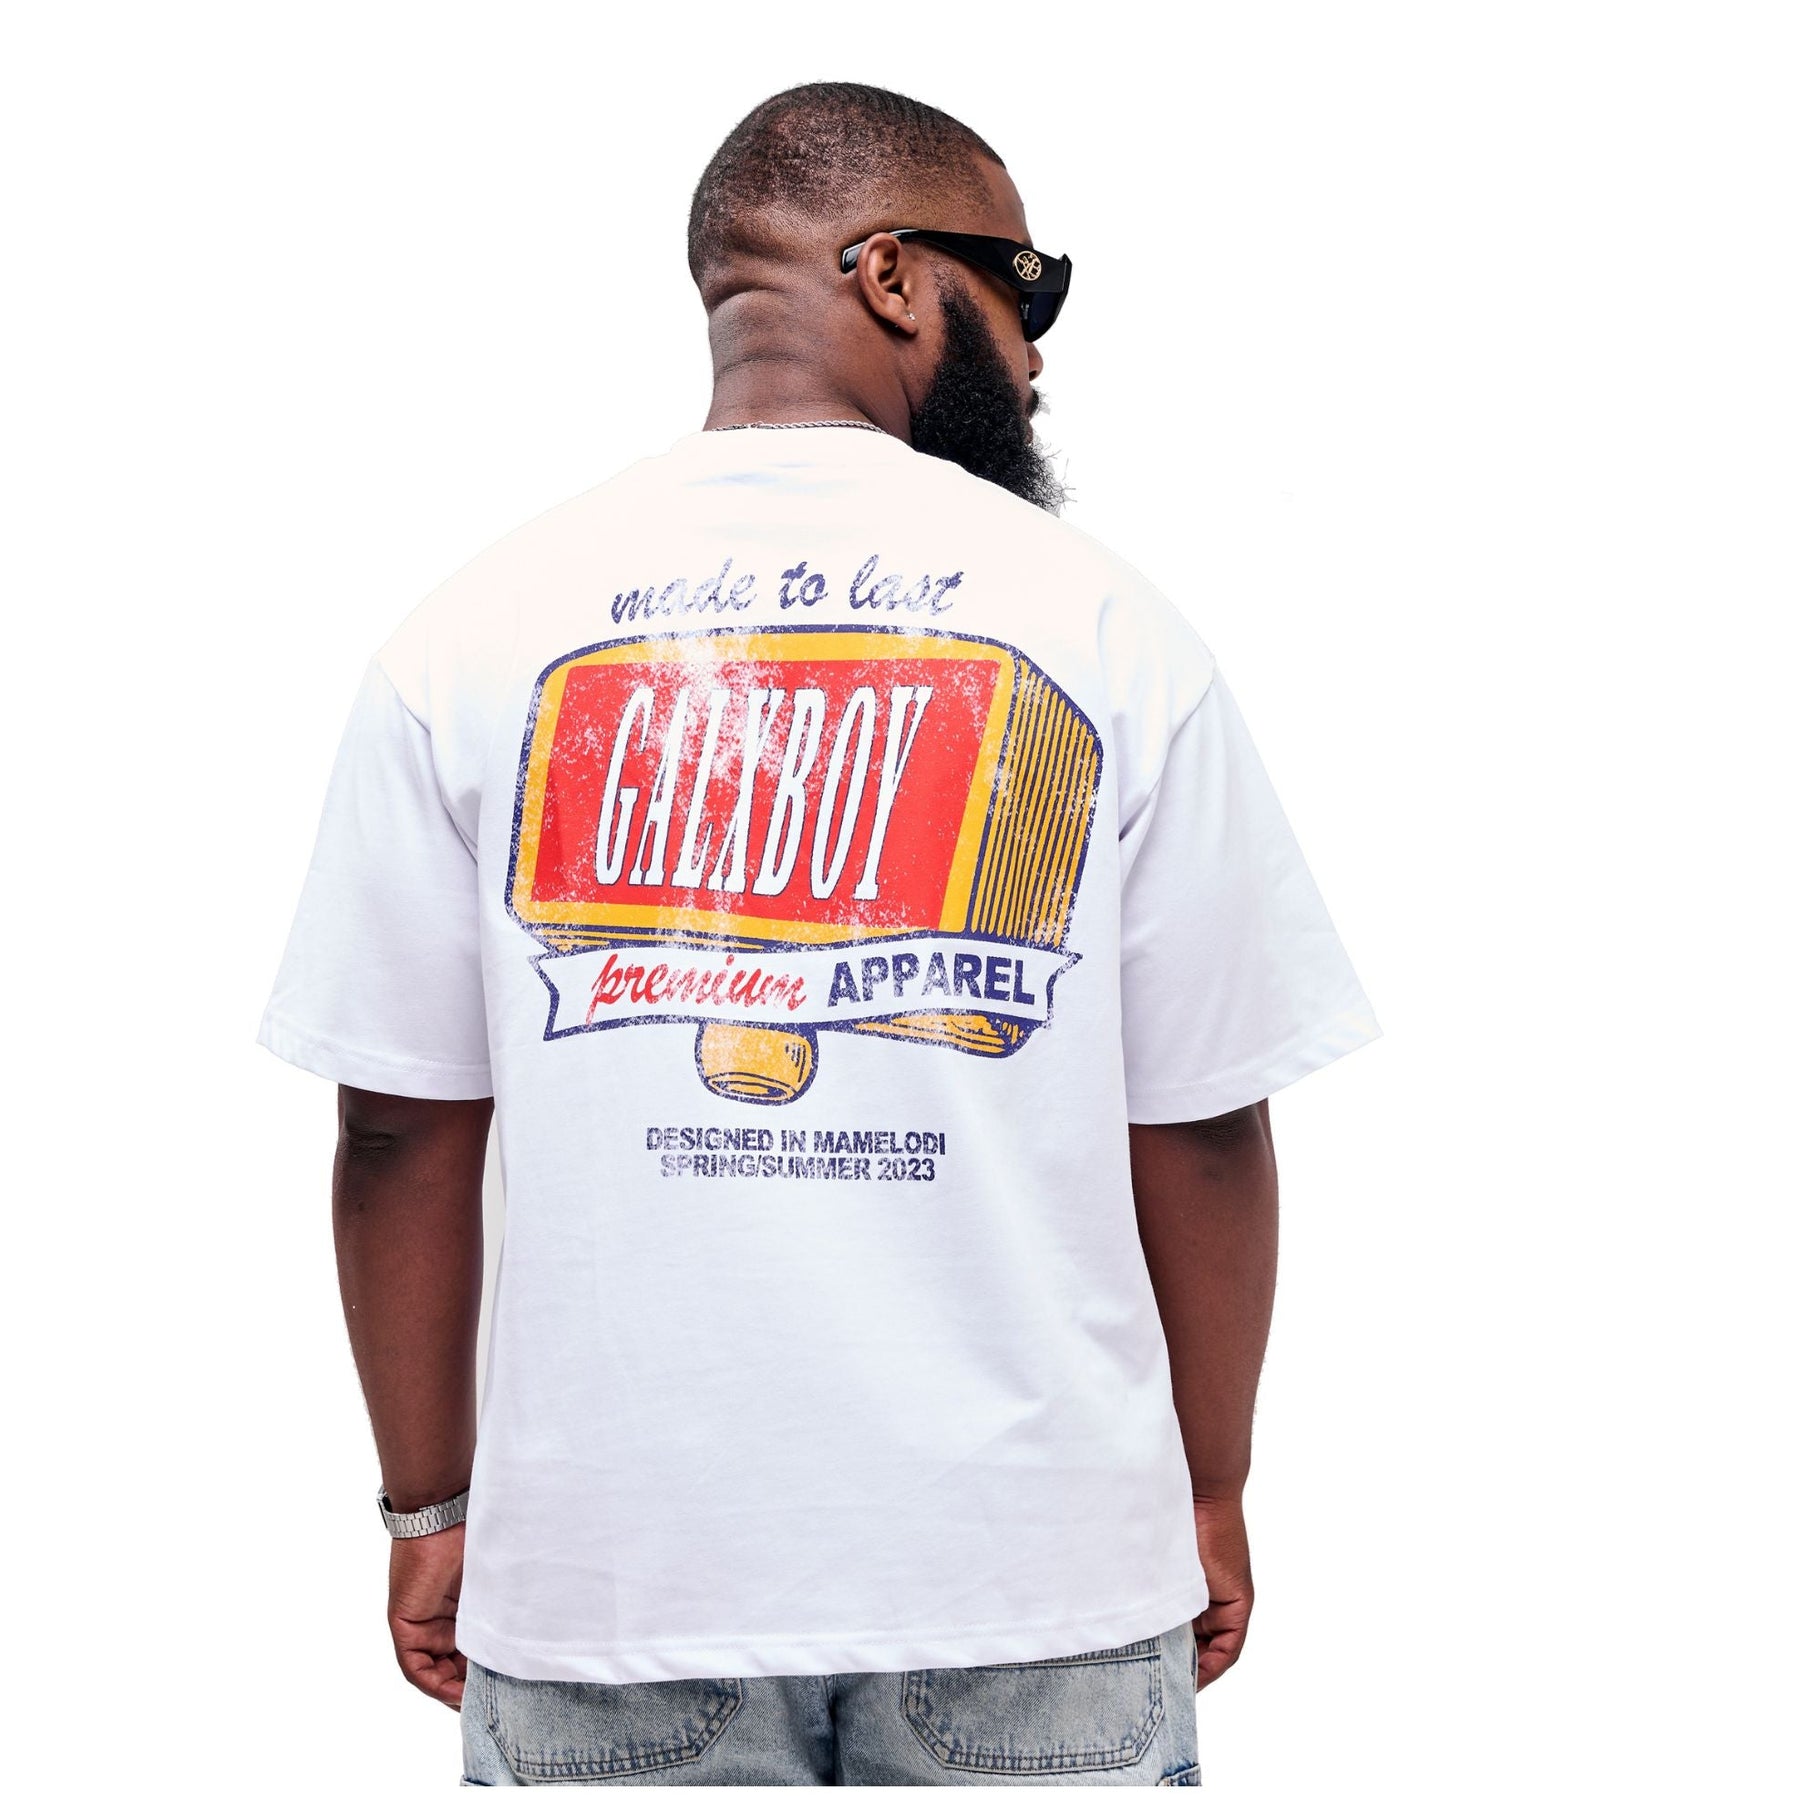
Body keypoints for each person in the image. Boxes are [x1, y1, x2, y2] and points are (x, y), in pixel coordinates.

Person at [258, 81, 1379, 1787]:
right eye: (1026, 287)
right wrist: (1208, 1485)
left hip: (617, 1583)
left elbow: (400, 1127)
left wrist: (431, 1505)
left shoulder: (474, 630)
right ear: (894, 275)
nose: (1037, 353)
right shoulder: (1104, 626)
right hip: (1038, 1579)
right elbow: (1203, 1124)